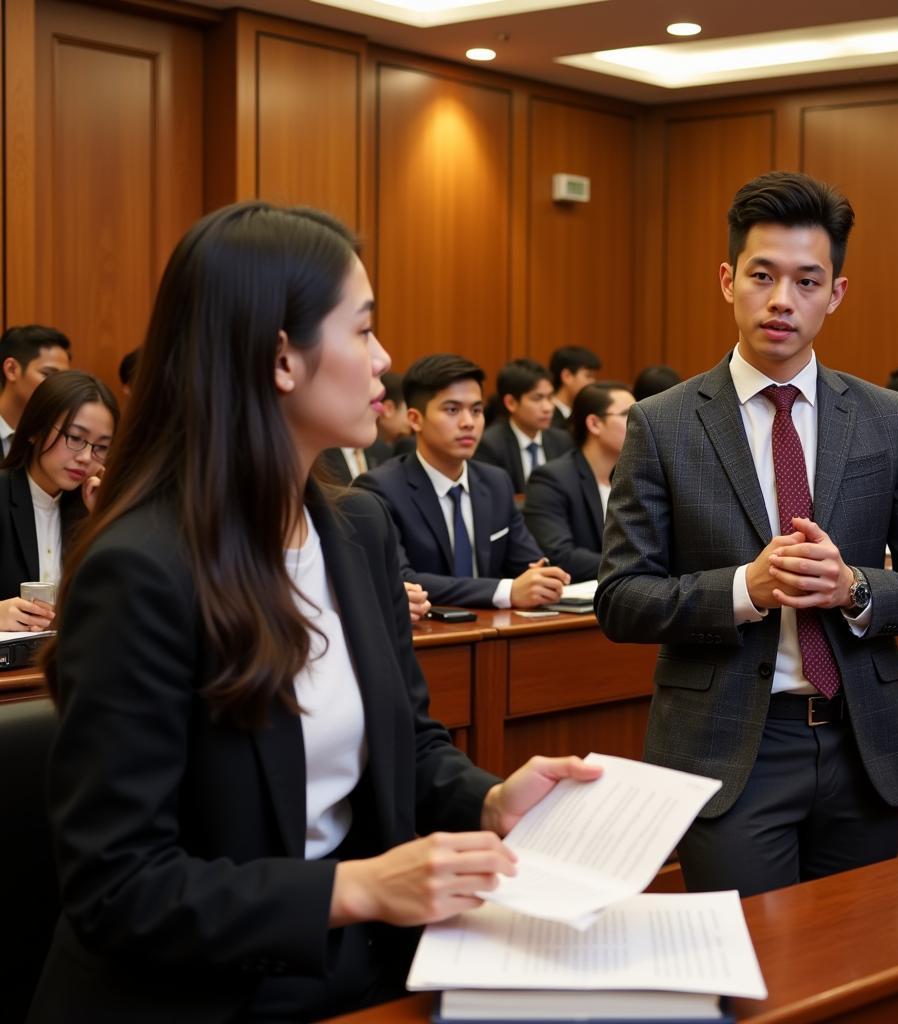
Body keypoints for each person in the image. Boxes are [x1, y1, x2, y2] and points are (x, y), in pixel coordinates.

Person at [28, 202, 599, 1023]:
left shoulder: (356, 528)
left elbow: (408, 738)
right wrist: (357, 886)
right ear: (281, 359)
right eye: (363, 331)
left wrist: (490, 799)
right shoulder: (141, 569)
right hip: (207, 991)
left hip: (360, 963)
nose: (384, 360)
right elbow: (119, 888)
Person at [595, 171, 898, 898]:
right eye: (763, 276)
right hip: (731, 746)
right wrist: (745, 589)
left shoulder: (886, 418)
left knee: (859, 973)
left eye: (806, 281)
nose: (781, 301)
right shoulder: (663, 423)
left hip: (863, 743)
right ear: (728, 280)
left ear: (836, 294)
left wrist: (855, 587)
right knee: (752, 980)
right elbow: (621, 599)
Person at [356, 354, 569, 609]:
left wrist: (543, 577)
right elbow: (402, 579)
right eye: (452, 410)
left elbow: (527, 561)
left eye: (476, 410)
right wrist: (507, 590)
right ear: (415, 419)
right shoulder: (380, 488)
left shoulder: (495, 482)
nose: (469, 423)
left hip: (496, 630)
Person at [0, 370, 117, 632]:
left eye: (101, 447)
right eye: (75, 438)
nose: (87, 457)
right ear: (34, 430)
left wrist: (103, 522)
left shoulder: (90, 507)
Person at [523, 382, 635, 581]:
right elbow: (561, 556)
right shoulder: (552, 479)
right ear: (594, 424)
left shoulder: (635, 477)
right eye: (628, 414)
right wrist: (634, 566)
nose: (637, 423)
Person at [474, 358, 572, 492]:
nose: (548, 408)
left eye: (550, 397)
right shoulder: (490, 445)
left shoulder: (563, 441)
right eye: (537, 398)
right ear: (511, 403)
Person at [0, 324, 72, 456]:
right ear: (11, 370)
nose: (60, 385)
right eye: (48, 374)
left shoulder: (56, 440)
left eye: (63, 378)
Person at [549, 345, 601, 431]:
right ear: (567, 376)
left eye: (594, 377)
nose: (593, 382)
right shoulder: (548, 415)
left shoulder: (587, 415)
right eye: (588, 376)